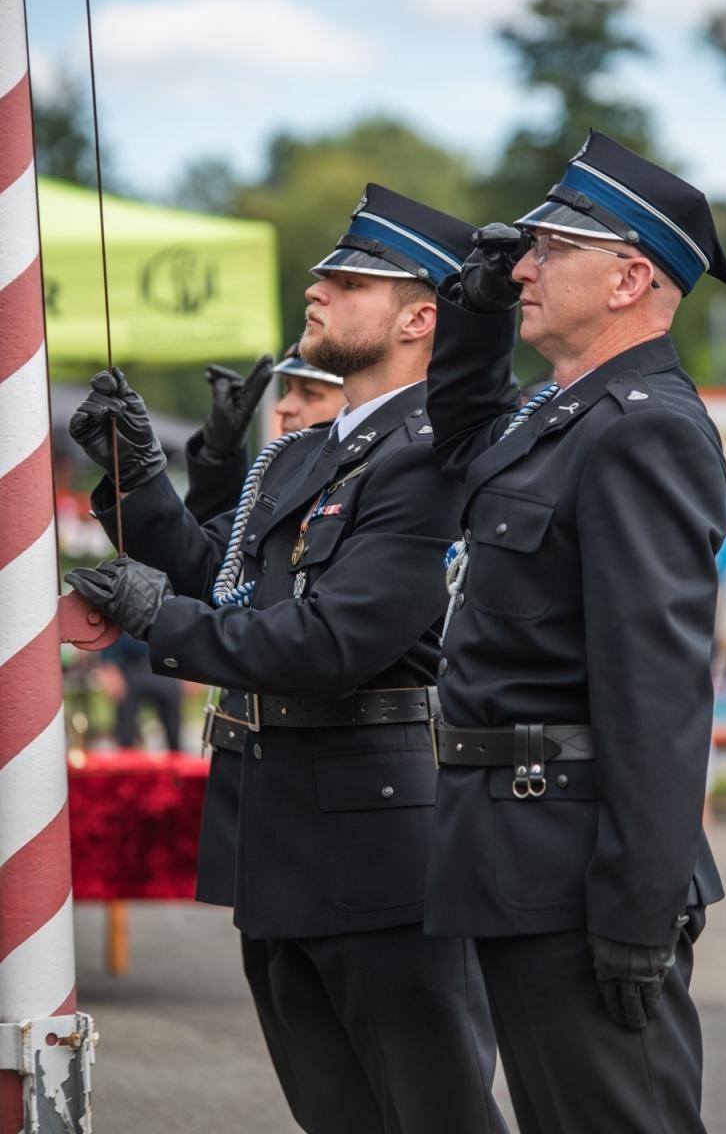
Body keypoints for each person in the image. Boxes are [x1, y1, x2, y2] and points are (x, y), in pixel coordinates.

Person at [65, 183, 509, 1134]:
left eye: (347, 281)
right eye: (322, 277)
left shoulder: (433, 456)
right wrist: (139, 480)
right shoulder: (304, 455)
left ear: (420, 317)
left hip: (382, 848)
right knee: (336, 1115)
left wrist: (157, 620)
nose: (316, 292)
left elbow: (332, 644)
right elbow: (221, 584)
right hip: (277, 836)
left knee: (433, 1116)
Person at [423, 130, 726, 1133]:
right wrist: (473, 319)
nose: (524, 266)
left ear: (628, 278)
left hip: (579, 867)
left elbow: (658, 694)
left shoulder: (644, 427)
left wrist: (639, 909)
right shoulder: (558, 413)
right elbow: (467, 443)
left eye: (549, 250)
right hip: (518, 849)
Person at [183, 347, 344, 905]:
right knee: (267, 971)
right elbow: (223, 559)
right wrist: (218, 456)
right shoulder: (291, 462)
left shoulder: (382, 470)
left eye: (311, 394)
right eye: (287, 393)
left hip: (323, 768)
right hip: (247, 748)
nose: (287, 409)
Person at [184, 345, 344, 525]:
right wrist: (219, 460)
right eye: (287, 390)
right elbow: (217, 548)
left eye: (310, 394)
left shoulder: (366, 487)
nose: (282, 407)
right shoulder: (279, 481)